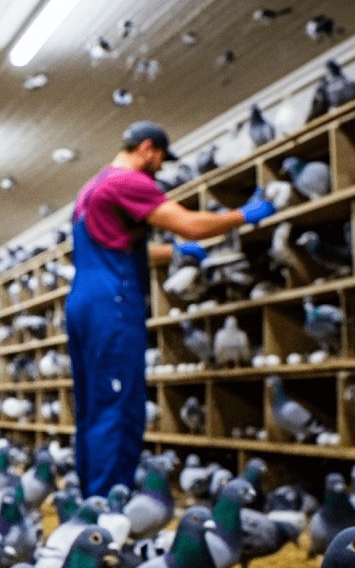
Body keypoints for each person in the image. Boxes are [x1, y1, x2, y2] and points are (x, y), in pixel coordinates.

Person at [66, 121, 276, 499]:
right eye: (161, 158)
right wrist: (244, 215)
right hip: (113, 302)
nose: (161, 168)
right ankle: (109, 506)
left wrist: (173, 253)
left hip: (85, 298)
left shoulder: (90, 189)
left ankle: (91, 499)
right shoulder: (128, 182)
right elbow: (190, 225)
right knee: (120, 406)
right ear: (148, 148)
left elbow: (116, 246)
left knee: (94, 405)